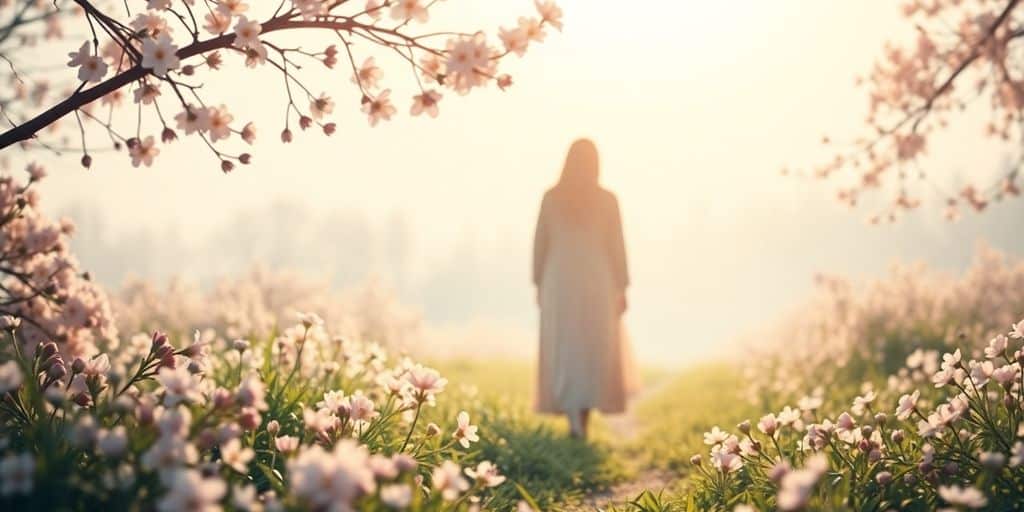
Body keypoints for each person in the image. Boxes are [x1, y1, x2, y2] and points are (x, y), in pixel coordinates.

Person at [532, 138, 638, 439]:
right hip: (597, 279)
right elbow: (617, 245)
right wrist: (622, 286)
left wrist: (538, 282)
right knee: (594, 347)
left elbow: (540, 243)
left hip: (559, 280)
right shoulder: (607, 200)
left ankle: (572, 418)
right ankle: (584, 419)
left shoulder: (551, 198)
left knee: (565, 347)